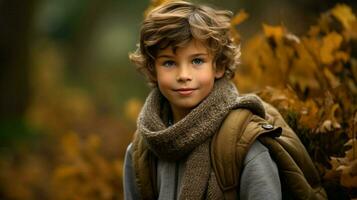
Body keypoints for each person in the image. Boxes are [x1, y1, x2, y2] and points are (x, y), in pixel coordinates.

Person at [123, 1, 282, 199]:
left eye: (197, 61)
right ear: (153, 70)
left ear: (219, 67)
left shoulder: (243, 144)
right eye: (169, 62)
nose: (183, 75)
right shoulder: (141, 151)